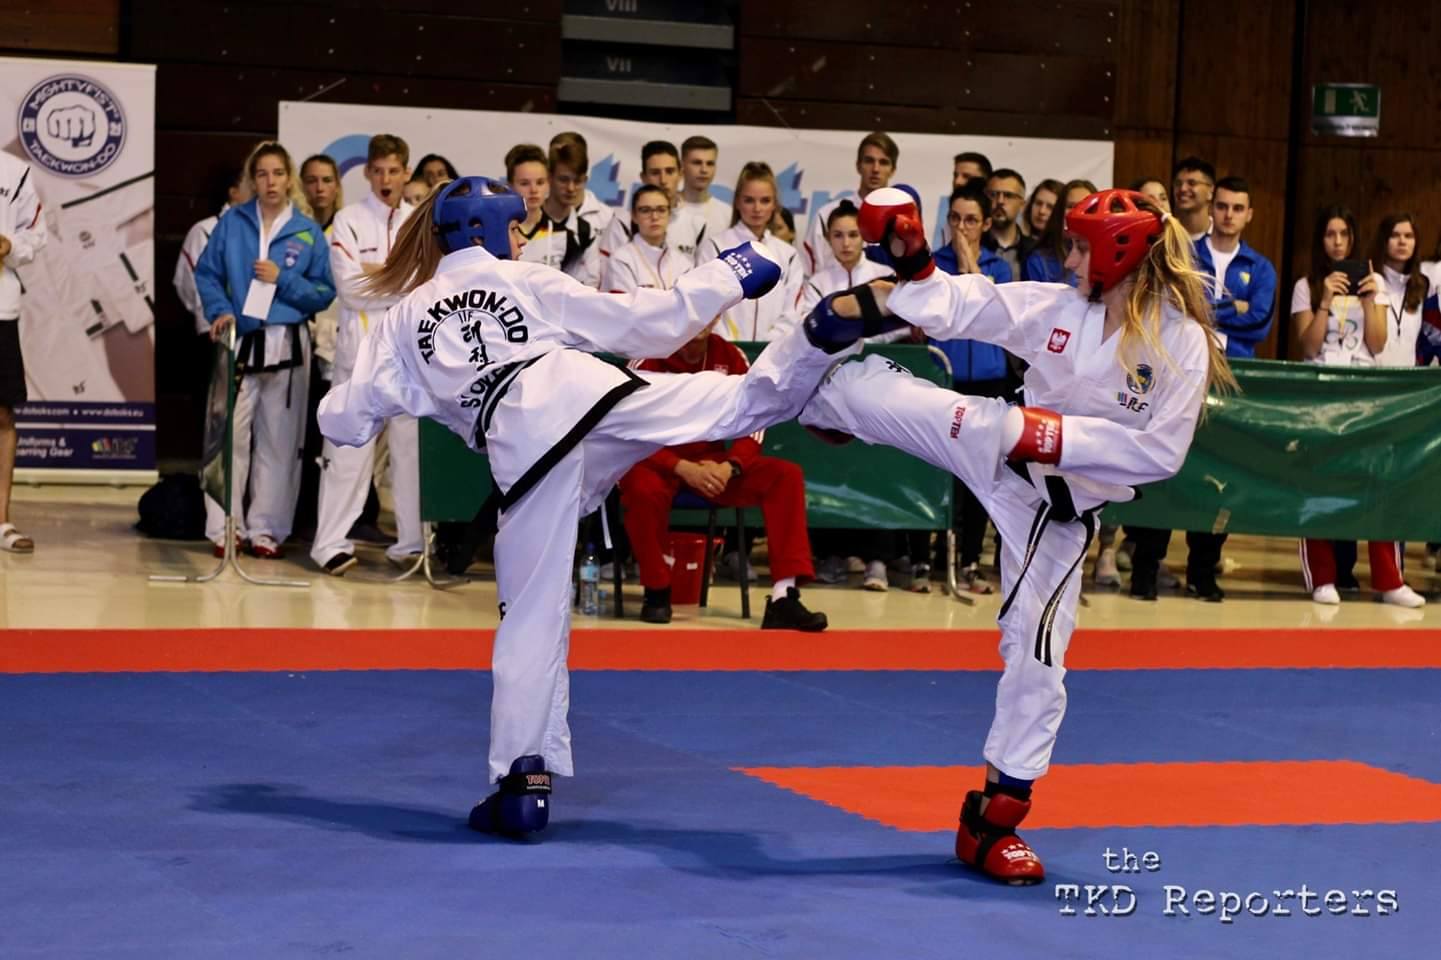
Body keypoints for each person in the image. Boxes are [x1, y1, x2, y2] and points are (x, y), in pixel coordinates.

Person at [317, 176, 897, 839]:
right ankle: (829, 364)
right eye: (515, 228)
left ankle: (522, 782)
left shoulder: (401, 320)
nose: (520, 240)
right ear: (487, 229)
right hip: (592, 399)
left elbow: (345, 421)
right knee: (730, 401)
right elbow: (646, 323)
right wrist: (730, 276)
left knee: (530, 617)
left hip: (527, 451)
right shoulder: (522, 280)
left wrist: (383, 396)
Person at [798, 186, 1235, 884]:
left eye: (1080, 248)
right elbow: (971, 304)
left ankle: (991, 824)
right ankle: (803, 402)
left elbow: (1160, 454)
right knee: (867, 392)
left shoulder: (1180, 341)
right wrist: (915, 265)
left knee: (1037, 661)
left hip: (1056, 515)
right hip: (999, 444)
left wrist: (1052, 436)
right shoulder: (1058, 308)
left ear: (1119, 254)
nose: (1069, 260)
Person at [619, 323, 828, 630]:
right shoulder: (647, 356)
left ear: (716, 316)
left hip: (713, 464)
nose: (699, 323)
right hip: (656, 459)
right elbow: (626, 427)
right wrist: (680, 466)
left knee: (785, 476)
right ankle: (657, 590)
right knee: (639, 487)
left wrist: (731, 466)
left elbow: (756, 417)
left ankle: (784, 596)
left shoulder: (731, 356)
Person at [195, 141, 335, 559]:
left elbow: (324, 292)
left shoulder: (307, 231)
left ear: (289, 179)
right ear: (251, 180)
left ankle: (266, 530)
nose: (270, 181)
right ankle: (225, 527)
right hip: (240, 339)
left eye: (277, 173)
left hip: (287, 342)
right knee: (229, 437)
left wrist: (282, 279)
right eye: (262, 174)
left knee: (280, 441)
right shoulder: (233, 223)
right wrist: (220, 310)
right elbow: (207, 273)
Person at [1289, 206, 1417, 606]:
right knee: (1319, 483)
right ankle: (1322, 578)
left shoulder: (1374, 282)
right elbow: (1308, 345)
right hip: (1321, 392)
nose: (1338, 242)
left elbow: (1377, 343)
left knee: (1380, 481)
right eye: (1330, 234)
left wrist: (1369, 301)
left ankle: (1390, 581)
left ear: (1354, 239)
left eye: (1344, 234)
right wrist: (1326, 299)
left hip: (1364, 391)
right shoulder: (1306, 285)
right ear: (1321, 240)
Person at [311, 133, 420, 575]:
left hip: (408, 356)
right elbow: (350, 288)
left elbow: (426, 285)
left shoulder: (418, 222)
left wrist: (379, 273)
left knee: (409, 452)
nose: (385, 179)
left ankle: (410, 543)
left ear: (406, 173)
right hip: (358, 356)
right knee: (346, 452)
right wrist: (399, 277)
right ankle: (329, 544)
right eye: (377, 171)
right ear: (367, 173)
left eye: (394, 171)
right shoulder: (348, 220)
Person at [931, 182, 1016, 594]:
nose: (961, 228)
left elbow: (988, 310)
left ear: (985, 224)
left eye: (970, 220)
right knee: (940, 469)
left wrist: (969, 266)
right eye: (955, 219)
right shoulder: (932, 265)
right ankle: (933, 555)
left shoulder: (1000, 269)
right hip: (943, 377)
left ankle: (969, 559)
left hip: (987, 379)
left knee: (980, 474)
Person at [696, 161, 803, 341]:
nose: (757, 208)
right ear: (737, 202)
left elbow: (792, 311)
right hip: (726, 349)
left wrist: (769, 344)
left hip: (773, 350)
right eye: (749, 200)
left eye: (765, 200)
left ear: (775, 204)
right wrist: (729, 346)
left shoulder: (788, 255)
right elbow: (707, 300)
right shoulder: (715, 246)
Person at [0, 150, 46, 554]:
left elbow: (35, 232)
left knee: (1, 414)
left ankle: (1, 521)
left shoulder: (14, 172)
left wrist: (9, 244)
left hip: (0, 308)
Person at [802, 132, 898, 276]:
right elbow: (809, 273)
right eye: (869, 161)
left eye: (883, 162)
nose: (875, 169)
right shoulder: (826, 215)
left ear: (893, 170)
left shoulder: (900, 219)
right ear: (858, 166)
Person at [600, 140, 708, 266]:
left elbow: (704, 273)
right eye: (655, 173)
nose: (663, 180)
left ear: (680, 174)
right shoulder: (623, 223)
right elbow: (606, 271)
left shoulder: (697, 224)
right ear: (643, 177)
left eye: (669, 171)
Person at [516, 138, 600, 286]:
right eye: (563, 179)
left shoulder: (584, 232)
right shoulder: (517, 224)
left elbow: (588, 286)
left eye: (577, 181)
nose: (571, 188)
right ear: (550, 177)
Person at [602, 185, 686, 294]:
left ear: (669, 214)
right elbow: (625, 304)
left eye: (661, 210)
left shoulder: (683, 262)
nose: (654, 217)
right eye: (645, 210)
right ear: (634, 216)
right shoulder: (622, 260)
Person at [1022, 179, 1096, 283]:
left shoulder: (1107, 257)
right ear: (1059, 212)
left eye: (1086, 206)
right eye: (1071, 206)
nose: (1078, 212)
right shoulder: (1038, 261)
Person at [679, 135, 732, 240]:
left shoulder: (728, 214)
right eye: (697, 163)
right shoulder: (666, 211)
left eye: (710, 163)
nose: (704, 170)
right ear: (682, 165)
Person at [983, 169, 1031, 280]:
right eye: (993, 194)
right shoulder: (973, 245)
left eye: (1008, 195)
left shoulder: (1033, 250)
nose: (1000, 201)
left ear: (1022, 205)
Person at [1171, 156, 1215, 241]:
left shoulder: (1223, 234)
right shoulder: (1166, 234)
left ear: (1211, 191)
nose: (1183, 189)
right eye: (1178, 183)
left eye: (1192, 183)